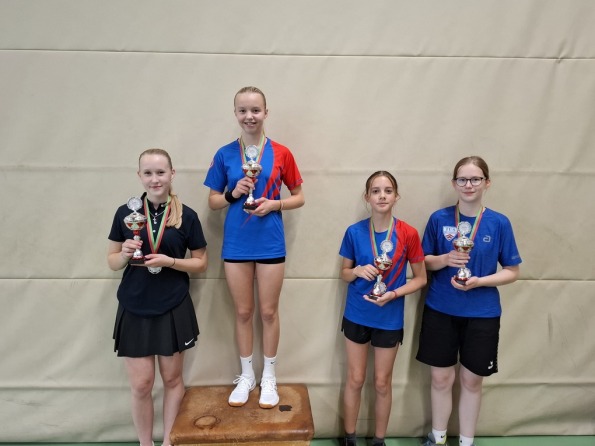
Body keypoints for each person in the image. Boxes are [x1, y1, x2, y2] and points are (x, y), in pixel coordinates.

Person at [203, 86, 305, 409]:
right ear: (235, 113)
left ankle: (269, 376)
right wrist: (234, 193)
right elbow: (213, 201)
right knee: (243, 312)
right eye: (243, 110)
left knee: (269, 312)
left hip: (270, 242)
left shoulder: (282, 153)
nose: (250, 116)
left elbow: (299, 196)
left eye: (256, 110)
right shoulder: (224, 154)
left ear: (266, 113)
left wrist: (275, 204)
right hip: (237, 245)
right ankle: (247, 375)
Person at [417, 156, 522, 446]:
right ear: (454, 184)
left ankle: (466, 442)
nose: (469, 185)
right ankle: (438, 438)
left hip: (483, 313)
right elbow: (422, 261)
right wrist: (445, 259)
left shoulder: (499, 223)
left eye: (475, 179)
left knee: (472, 381)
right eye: (462, 179)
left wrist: (479, 281)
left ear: (487, 183)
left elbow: (512, 271)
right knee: (441, 379)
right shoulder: (439, 219)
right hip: (440, 309)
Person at [107, 148, 208, 446]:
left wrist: (170, 262)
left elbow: (201, 263)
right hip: (134, 305)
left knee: (173, 380)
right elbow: (112, 261)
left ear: (172, 174)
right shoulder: (125, 214)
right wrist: (124, 254)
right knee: (141, 384)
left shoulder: (186, 216)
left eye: (161, 172)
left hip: (173, 305)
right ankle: (145, 443)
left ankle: (168, 442)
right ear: (139, 176)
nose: (155, 179)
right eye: (148, 173)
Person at [339, 171, 427, 446]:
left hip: (389, 317)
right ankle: (349, 437)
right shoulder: (354, 232)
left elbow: (421, 279)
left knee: (381, 382)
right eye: (376, 191)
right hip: (357, 313)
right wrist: (356, 270)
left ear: (396, 196)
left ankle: (379, 440)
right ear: (367, 197)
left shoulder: (408, 233)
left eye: (388, 190)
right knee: (355, 379)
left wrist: (394, 294)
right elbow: (344, 273)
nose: (382, 196)